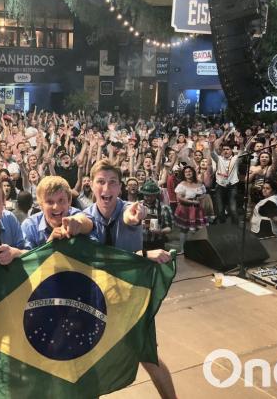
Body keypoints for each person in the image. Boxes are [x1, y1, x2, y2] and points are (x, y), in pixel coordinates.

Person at [81, 160, 177, 399]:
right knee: (87, 363)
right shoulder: (84, 218)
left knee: (149, 357)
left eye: (112, 182)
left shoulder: (131, 209)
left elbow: (131, 217)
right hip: (96, 303)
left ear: (120, 187)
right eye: (101, 182)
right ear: (91, 185)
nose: (106, 188)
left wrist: (136, 218)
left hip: (131, 301)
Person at [20, 176, 94, 250]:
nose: (56, 207)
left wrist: (78, 224)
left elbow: (85, 221)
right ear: (41, 205)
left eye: (61, 200)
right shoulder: (29, 226)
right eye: (50, 202)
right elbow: (27, 259)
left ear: (69, 201)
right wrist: (49, 246)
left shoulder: (75, 214)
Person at [173, 165, 208, 247]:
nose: (188, 173)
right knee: (184, 229)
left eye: (190, 171)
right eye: (186, 172)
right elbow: (179, 198)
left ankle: (194, 248)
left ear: (193, 172)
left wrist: (200, 198)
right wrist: (191, 202)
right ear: (183, 174)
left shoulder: (199, 183)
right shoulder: (182, 184)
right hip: (185, 209)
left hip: (197, 210)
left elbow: (204, 194)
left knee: (197, 230)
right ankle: (183, 249)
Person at [138, 180, 173, 253]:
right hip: (141, 242)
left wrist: (160, 231)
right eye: (147, 195)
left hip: (157, 243)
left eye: (152, 195)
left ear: (156, 194)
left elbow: (169, 227)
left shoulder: (164, 207)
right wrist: (139, 224)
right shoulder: (138, 206)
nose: (149, 198)